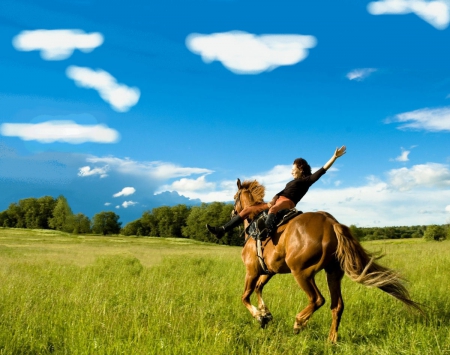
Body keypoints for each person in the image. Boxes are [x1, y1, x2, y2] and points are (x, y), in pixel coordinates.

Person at [206, 146, 346, 238]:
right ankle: (222, 230)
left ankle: (266, 231)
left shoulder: (306, 180)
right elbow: (282, 191)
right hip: (278, 200)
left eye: (293, 168)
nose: (291, 171)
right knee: (247, 210)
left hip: (288, 202)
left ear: (301, 168)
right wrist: (274, 197)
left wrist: (334, 157)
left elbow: (322, 171)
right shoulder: (291, 182)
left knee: (274, 209)